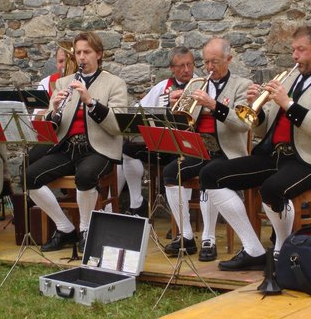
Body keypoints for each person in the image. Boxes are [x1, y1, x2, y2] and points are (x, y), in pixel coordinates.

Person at [200, 25, 311, 271]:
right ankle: (253, 249)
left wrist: (287, 103)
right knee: (210, 175)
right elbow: (261, 129)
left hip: (305, 159)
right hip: (273, 153)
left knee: (272, 189)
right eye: (293, 50)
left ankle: (281, 248)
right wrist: (256, 108)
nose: (294, 56)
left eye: (301, 50)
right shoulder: (290, 78)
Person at [26, 31, 128, 252]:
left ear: (99, 54)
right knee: (29, 177)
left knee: (86, 175)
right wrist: (53, 111)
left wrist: (90, 102)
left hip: (99, 149)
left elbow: (116, 126)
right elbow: (50, 128)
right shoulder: (63, 82)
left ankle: (85, 229)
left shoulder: (115, 83)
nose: (81, 57)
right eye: (78, 52)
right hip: (68, 147)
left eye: (87, 52)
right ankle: (65, 228)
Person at [163, 38, 252, 262]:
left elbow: (243, 123)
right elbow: (181, 123)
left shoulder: (242, 85)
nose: (210, 67)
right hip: (198, 148)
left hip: (227, 152)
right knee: (171, 173)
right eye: (206, 62)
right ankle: (186, 236)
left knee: (208, 174)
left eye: (215, 62)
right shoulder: (196, 84)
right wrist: (173, 106)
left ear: (229, 59)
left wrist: (213, 105)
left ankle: (209, 239)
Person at [117, 47, 196, 217]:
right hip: (163, 144)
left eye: (190, 64)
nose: (187, 70)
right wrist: (164, 105)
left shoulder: (201, 85)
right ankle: (137, 203)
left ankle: (183, 217)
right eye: (181, 66)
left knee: (180, 164)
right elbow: (139, 111)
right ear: (172, 68)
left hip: (188, 146)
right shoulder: (162, 88)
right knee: (128, 151)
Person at [29, 41, 73, 165]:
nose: (63, 65)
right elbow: (36, 118)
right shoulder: (46, 82)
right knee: (29, 160)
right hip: (51, 137)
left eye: (67, 61)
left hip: (73, 138)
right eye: (60, 61)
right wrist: (52, 110)